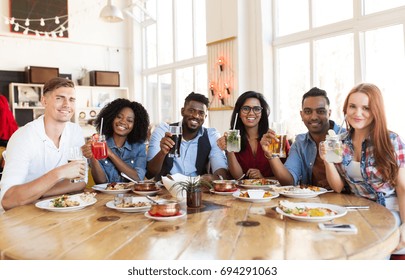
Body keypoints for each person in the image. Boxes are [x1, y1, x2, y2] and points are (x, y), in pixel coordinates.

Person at [320, 83, 405, 254]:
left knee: (368, 249)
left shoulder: (391, 141)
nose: (357, 113)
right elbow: (338, 187)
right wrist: (327, 161)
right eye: (352, 106)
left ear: (376, 111)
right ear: (345, 108)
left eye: (366, 108)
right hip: (357, 211)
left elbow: (402, 188)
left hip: (388, 211)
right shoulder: (340, 141)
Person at [0, 77, 86, 211]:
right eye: (59, 98)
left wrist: (39, 193)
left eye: (71, 99)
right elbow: (8, 200)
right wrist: (58, 174)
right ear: (44, 101)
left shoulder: (75, 131)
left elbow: (79, 182)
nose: (66, 105)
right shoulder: (23, 136)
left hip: (59, 212)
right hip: (22, 217)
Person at [260, 87, 345, 187]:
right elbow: (288, 182)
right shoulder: (300, 143)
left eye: (320, 111)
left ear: (329, 113)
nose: (314, 117)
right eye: (308, 111)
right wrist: (271, 155)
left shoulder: (346, 137)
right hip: (311, 201)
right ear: (301, 115)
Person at [146, 92, 229, 181]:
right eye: (191, 110)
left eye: (201, 113)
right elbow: (150, 172)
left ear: (205, 116)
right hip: (166, 188)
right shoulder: (163, 130)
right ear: (182, 111)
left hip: (198, 188)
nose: (196, 116)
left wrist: (213, 178)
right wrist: (162, 153)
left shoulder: (211, 135)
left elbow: (221, 169)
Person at [216, 91, 290, 179]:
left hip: (273, 191)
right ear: (239, 113)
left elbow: (288, 178)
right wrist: (229, 150)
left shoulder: (274, 139)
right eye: (246, 109)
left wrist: (263, 179)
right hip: (243, 192)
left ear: (262, 113)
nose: (251, 113)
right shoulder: (233, 139)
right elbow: (238, 177)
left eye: (257, 109)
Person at [82, 98, 150, 183]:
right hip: (106, 196)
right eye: (119, 117)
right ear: (111, 118)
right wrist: (93, 156)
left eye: (129, 120)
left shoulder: (139, 147)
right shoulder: (98, 143)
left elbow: (138, 178)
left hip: (131, 195)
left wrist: (110, 154)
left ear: (135, 125)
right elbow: (100, 182)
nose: (123, 122)